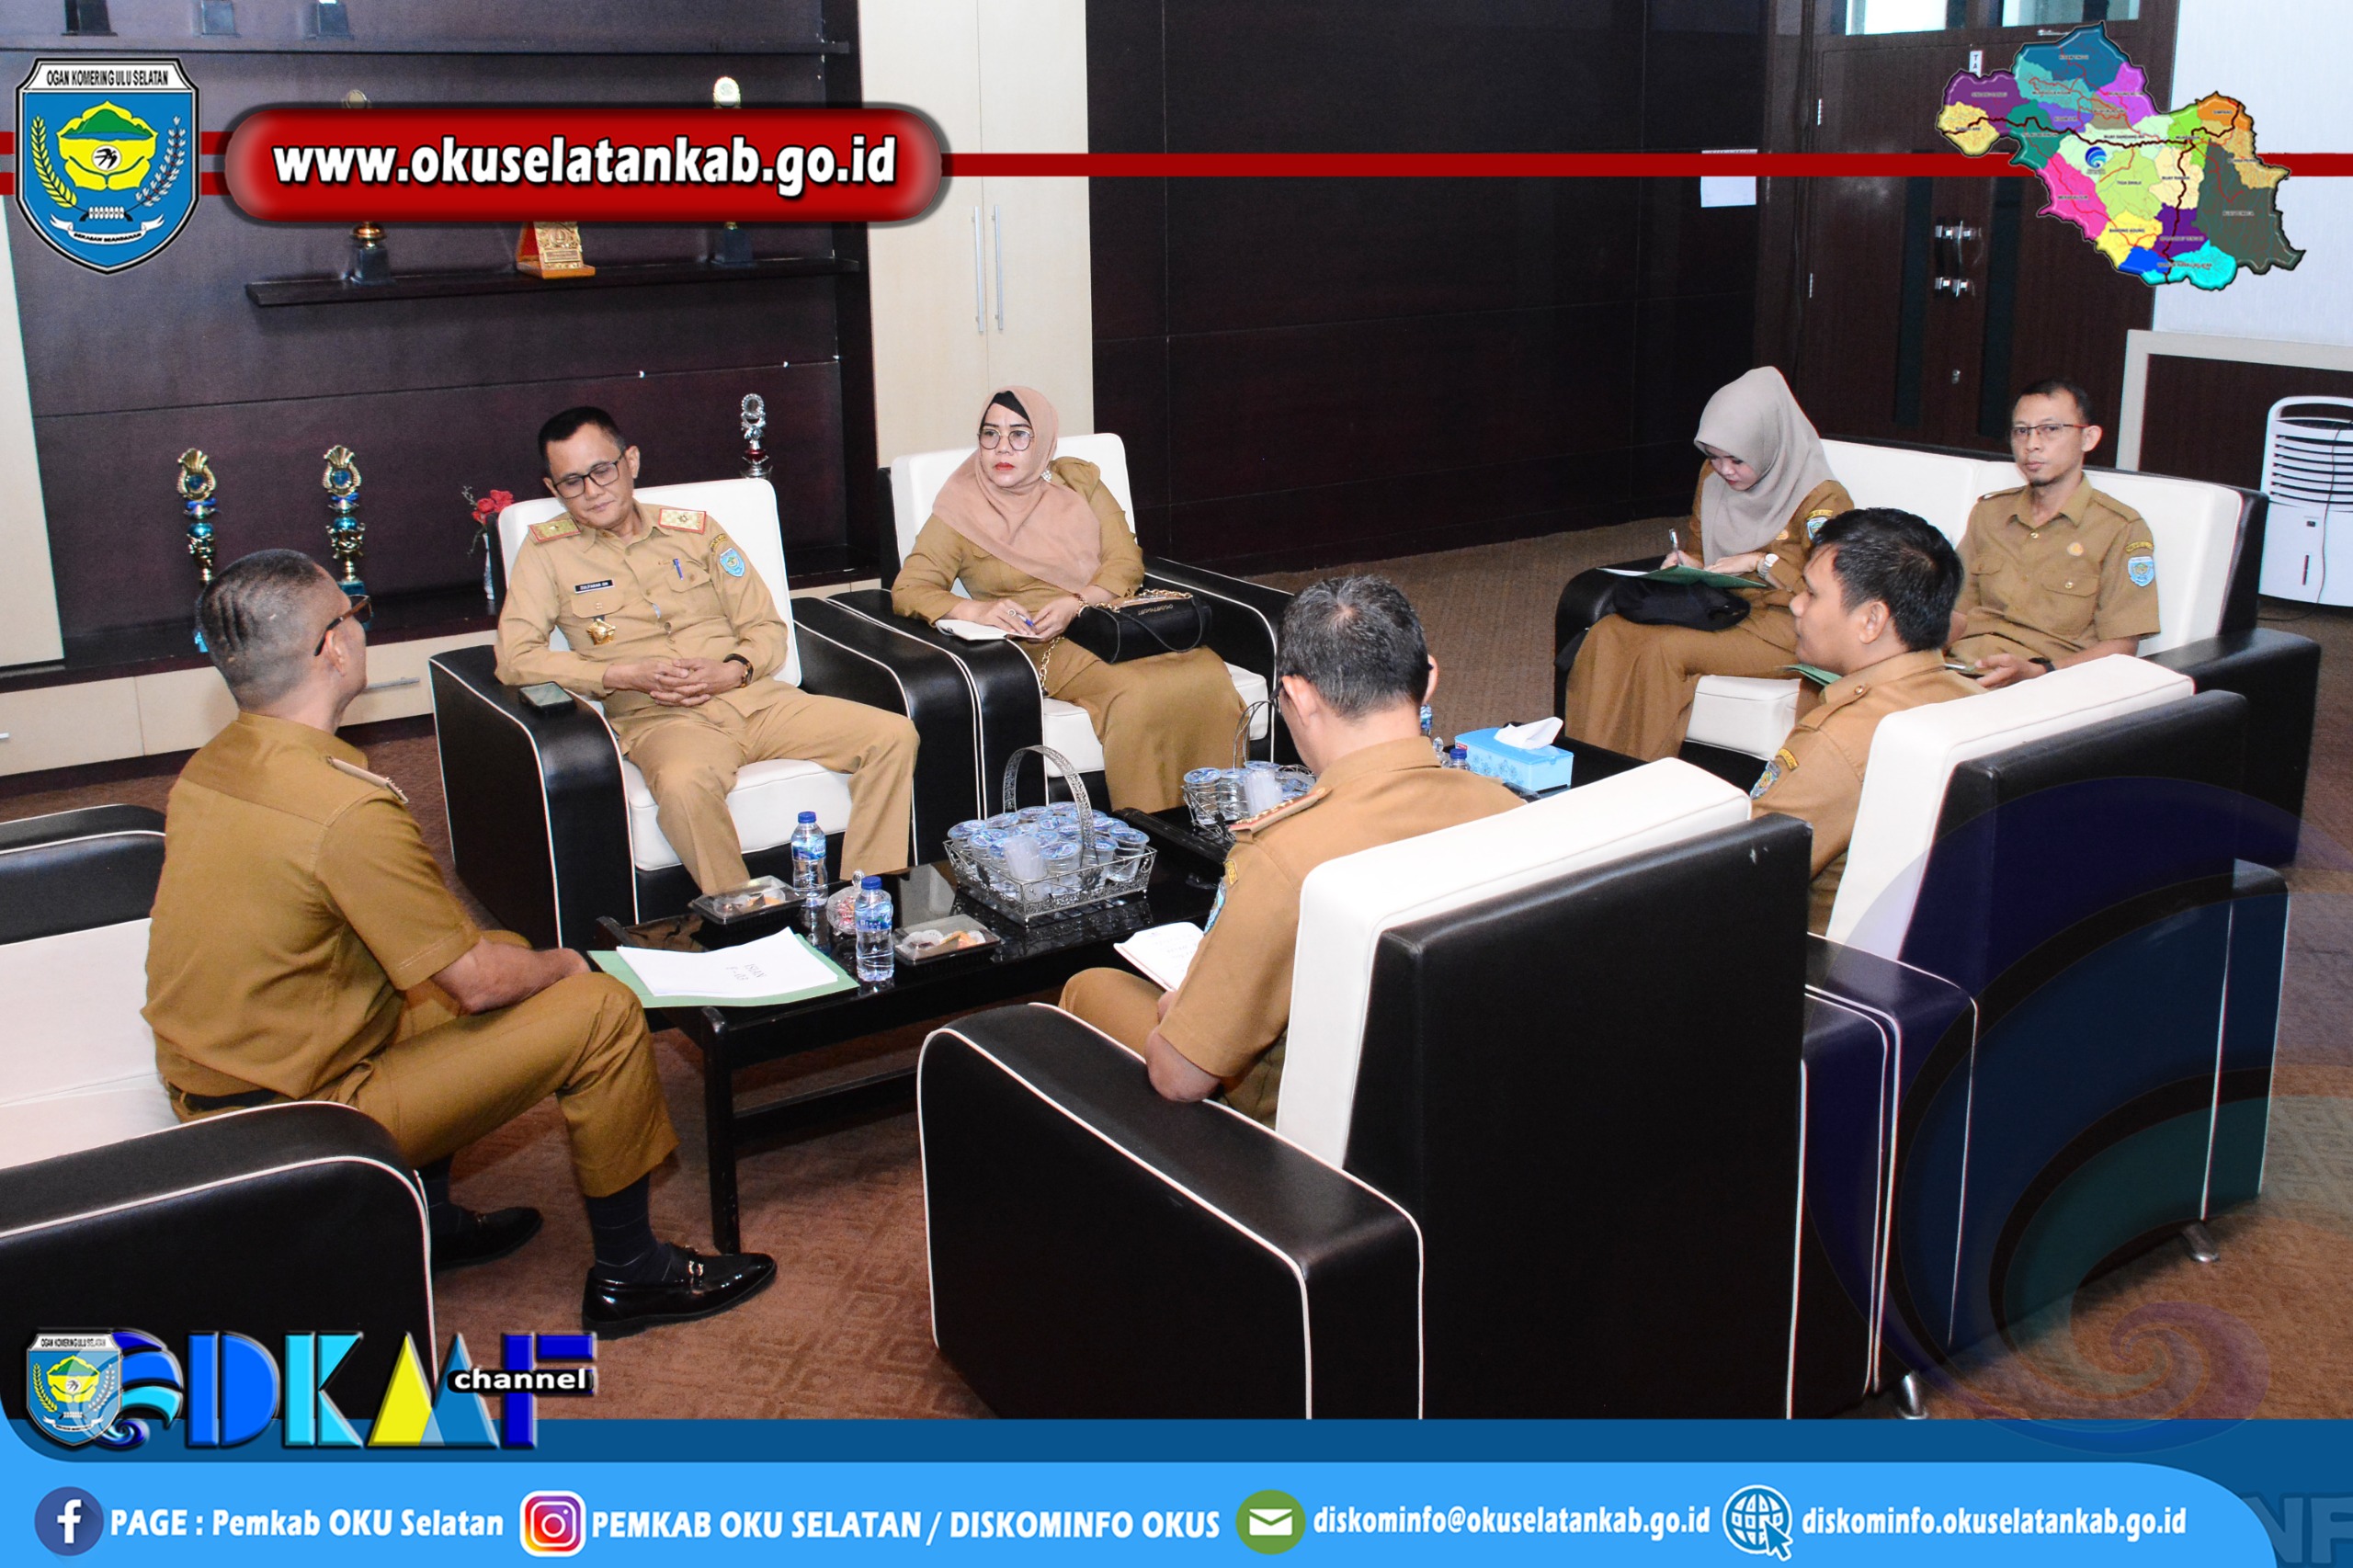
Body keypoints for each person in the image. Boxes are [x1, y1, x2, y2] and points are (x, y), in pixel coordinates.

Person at [145, 550, 773, 1337]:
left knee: (494, 946)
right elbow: (476, 985)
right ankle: (633, 1277)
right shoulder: (346, 811)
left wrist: (523, 962)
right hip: (293, 1114)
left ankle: (427, 1221)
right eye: (354, 612)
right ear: (332, 648)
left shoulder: (214, 763)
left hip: (227, 1071)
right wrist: (570, 963)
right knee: (601, 1009)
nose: (360, 627)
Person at [1058, 576, 1520, 1123]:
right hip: (1459, 1100)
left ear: (1298, 696)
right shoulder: (1509, 811)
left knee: (1090, 987)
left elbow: (1181, 1079)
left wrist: (1178, 1009)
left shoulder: (1284, 857)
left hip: (1302, 1133)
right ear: (1431, 678)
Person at [499, 406, 918, 893]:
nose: (592, 491)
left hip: (756, 701)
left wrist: (734, 670)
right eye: (572, 482)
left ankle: (862, 900)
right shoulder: (546, 553)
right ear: (553, 488)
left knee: (892, 735)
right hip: (663, 720)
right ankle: (744, 914)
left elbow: (766, 626)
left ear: (630, 461)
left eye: (602, 470)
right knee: (684, 786)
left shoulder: (695, 531)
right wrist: (620, 675)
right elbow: (515, 658)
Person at [891, 386, 1244, 813]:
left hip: (1115, 618)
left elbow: (1125, 561)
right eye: (990, 434)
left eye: (1020, 434)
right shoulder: (960, 508)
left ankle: (1220, 824)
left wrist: (1079, 602)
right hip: (1043, 639)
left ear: (1044, 441)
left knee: (1207, 675)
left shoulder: (1079, 482)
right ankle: (1154, 830)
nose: (1003, 448)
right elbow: (911, 588)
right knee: (1137, 693)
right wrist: (977, 610)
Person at [1559, 367, 1854, 760]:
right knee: (1608, 633)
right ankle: (1586, 762)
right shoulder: (1712, 477)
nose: (1725, 470)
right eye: (1714, 457)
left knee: (1664, 650)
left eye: (1737, 459)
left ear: (1770, 446)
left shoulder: (1823, 499)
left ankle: (1637, 772)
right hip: (1719, 607)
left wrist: (1761, 562)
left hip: (1786, 627)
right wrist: (1688, 562)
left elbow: (1835, 588)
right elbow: (1702, 549)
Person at [1749, 508, 1979, 933]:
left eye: (1812, 594)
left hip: (1823, 961)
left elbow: (1742, 872)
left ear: (1872, 621)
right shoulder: (1977, 701)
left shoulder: (1836, 742)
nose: (1796, 604)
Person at [1949, 379, 2160, 688]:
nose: (2032, 444)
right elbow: (1956, 613)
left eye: (2050, 429)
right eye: (2022, 431)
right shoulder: (1990, 514)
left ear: (2088, 438)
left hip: (2045, 683)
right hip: (1960, 669)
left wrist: (2042, 672)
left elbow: (2122, 646)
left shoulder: (2119, 528)